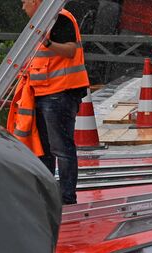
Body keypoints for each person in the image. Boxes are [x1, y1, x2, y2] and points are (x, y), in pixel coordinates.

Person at [18, 0, 89, 205]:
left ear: (34, 2)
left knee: (61, 148)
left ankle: (66, 197)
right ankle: (48, 196)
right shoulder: (41, 24)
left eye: (24, 3)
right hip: (44, 93)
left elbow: (69, 51)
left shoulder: (59, 18)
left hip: (60, 93)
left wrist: (47, 42)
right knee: (45, 149)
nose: (22, 8)